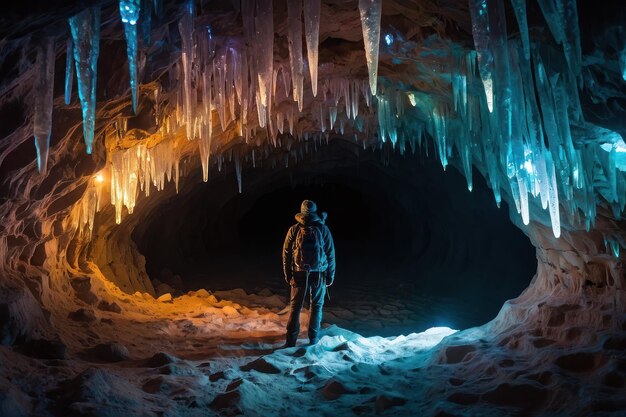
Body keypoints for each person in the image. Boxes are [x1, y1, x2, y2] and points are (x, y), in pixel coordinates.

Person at [282, 200, 336, 347]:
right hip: (318, 273)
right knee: (316, 306)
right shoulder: (323, 229)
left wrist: (288, 273)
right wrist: (330, 274)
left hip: (299, 272)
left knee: (295, 307)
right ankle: (313, 339)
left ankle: (291, 340)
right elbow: (330, 254)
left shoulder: (294, 229)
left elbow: (286, 253)